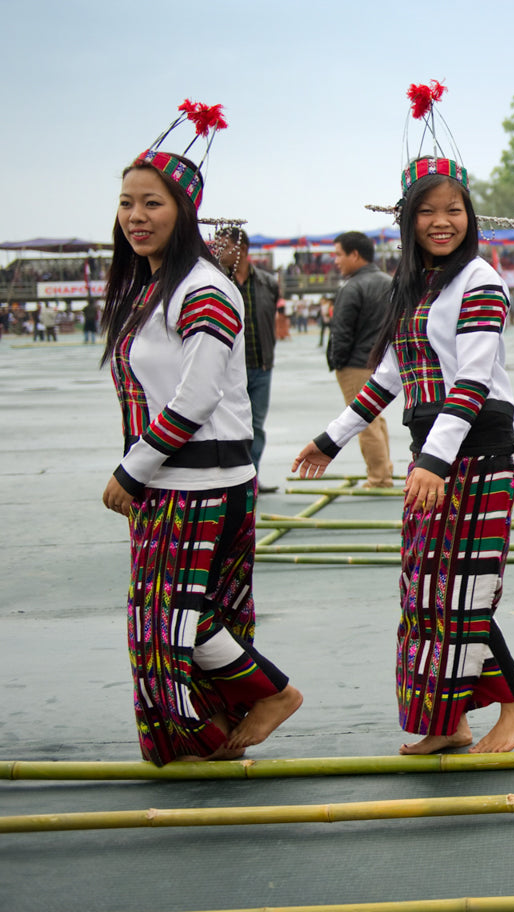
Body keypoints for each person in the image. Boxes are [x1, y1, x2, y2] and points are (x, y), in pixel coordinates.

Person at [293, 88, 514, 755]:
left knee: (461, 590)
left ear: (470, 214)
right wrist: (331, 438)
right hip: (433, 449)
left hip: (478, 452)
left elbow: (473, 378)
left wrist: (432, 460)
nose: (442, 221)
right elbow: (395, 375)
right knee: (425, 593)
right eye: (428, 211)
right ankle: (448, 721)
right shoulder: (414, 284)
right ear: (407, 219)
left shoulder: (480, 281)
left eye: (453, 209)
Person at [99, 102, 301, 766]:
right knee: (178, 619)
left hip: (198, 481)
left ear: (183, 214)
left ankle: (267, 696)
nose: (136, 216)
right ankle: (217, 732)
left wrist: (132, 471)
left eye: (151, 203)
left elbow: (197, 396)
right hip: (178, 479)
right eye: (127, 202)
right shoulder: (154, 286)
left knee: (168, 621)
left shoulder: (203, 288)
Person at [327, 230, 394, 487]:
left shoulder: (353, 286)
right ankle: (384, 469)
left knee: (363, 421)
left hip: (355, 363)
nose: (336, 261)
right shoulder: (389, 282)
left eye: (339, 255)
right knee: (375, 418)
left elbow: (341, 331)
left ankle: (378, 477)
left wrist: (338, 361)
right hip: (381, 361)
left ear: (355, 255)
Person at [217, 226, 280, 483]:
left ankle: (251, 479)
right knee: (228, 427)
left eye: (223, 246)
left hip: (261, 366)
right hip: (227, 371)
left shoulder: (268, 283)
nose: (218, 252)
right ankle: (233, 480)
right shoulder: (217, 282)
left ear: (241, 248)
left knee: (256, 427)